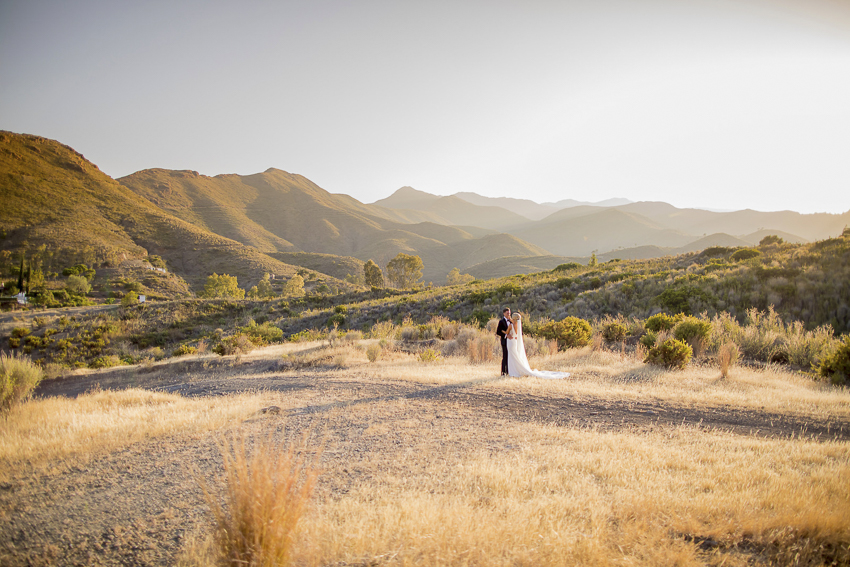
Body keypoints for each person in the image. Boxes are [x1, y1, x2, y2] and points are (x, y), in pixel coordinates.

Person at [507, 313, 570, 379]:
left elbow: (508, 331)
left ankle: (513, 371)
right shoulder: (518, 325)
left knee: (512, 357)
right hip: (514, 341)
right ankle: (515, 370)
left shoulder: (511, 325)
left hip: (511, 342)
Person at [495, 307, 511, 375]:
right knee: (505, 356)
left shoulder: (511, 321)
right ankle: (503, 372)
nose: (508, 314)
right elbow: (498, 332)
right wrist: (505, 336)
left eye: (509, 313)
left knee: (510, 356)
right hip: (504, 341)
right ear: (504, 313)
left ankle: (509, 371)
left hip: (511, 342)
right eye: (507, 313)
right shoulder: (501, 322)